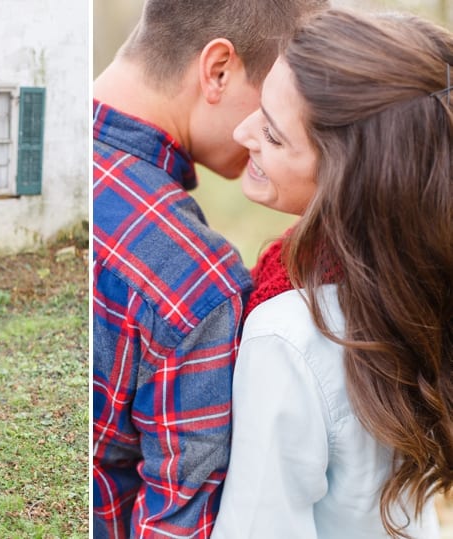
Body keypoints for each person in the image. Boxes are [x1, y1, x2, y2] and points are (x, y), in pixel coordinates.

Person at [213, 9, 452, 539]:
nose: (242, 130)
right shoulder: (420, 290)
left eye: (274, 136)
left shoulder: (287, 334)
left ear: (350, 182)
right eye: (261, 106)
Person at [92, 0, 328, 536]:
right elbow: (177, 525)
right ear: (217, 70)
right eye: (273, 98)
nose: (257, 129)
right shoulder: (193, 278)